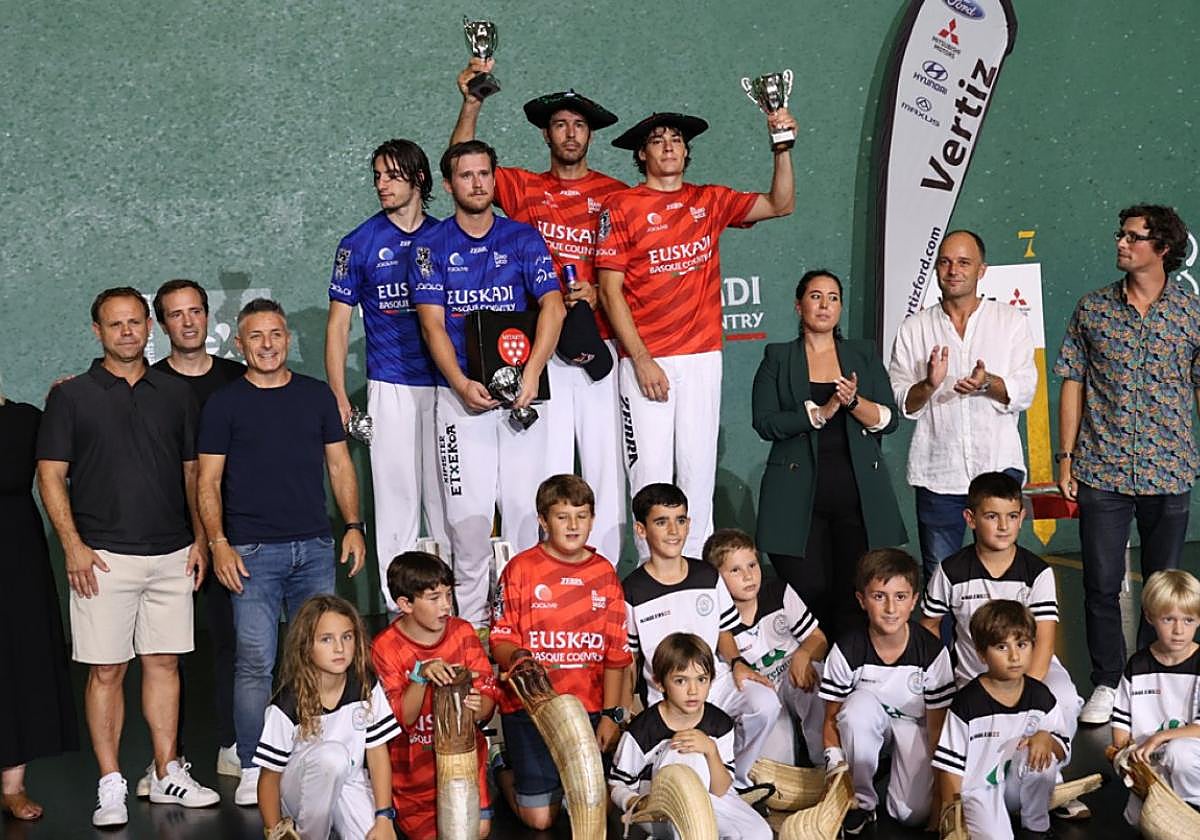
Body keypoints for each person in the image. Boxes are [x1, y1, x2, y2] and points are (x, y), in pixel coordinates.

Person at [36, 287, 218, 827]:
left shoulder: (175, 393)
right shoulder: (71, 397)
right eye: (115, 324)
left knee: (164, 664)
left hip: (172, 554)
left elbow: (192, 473)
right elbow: (50, 476)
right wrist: (72, 545)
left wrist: (201, 540)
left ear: (149, 327)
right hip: (102, 559)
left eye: (135, 322)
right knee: (107, 671)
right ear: (97, 331)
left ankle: (166, 772)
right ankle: (111, 783)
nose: (127, 332)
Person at [597, 108, 797, 558]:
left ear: (686, 152)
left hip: (702, 357)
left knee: (698, 474)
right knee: (649, 477)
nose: (668, 146)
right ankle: (652, 577)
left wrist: (782, 145)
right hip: (646, 360)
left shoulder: (709, 200)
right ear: (641, 154)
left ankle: (699, 578)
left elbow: (780, 204)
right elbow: (609, 291)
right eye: (657, 140)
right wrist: (641, 359)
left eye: (676, 140)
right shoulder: (621, 206)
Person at [452, 61, 629, 564]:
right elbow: (462, 161)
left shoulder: (616, 195)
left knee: (604, 469)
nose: (570, 133)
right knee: (542, 473)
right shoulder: (523, 187)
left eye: (579, 125)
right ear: (546, 134)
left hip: (597, 346)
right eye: (560, 125)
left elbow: (635, 271)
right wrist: (472, 103)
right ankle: (538, 579)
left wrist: (599, 290)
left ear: (590, 134)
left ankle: (604, 577)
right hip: (540, 351)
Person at [197, 297, 368, 806]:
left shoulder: (315, 397)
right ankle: (254, 765)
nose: (267, 344)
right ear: (239, 344)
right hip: (251, 553)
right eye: (256, 336)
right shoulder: (224, 404)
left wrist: (353, 526)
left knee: (320, 658)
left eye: (275, 334)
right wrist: (219, 543)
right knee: (255, 661)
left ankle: (317, 752)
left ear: (288, 339)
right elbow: (208, 481)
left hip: (314, 547)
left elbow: (339, 465)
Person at [412, 140, 566, 627]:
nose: (477, 183)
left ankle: (526, 626)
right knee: (469, 525)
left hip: (521, 397)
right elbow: (432, 325)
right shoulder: (430, 247)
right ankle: (475, 630)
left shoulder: (523, 238)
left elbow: (553, 306)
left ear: (494, 179)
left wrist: (533, 371)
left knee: (525, 516)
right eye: (466, 175)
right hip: (461, 401)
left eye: (484, 174)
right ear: (449, 185)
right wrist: (459, 383)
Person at [1054, 204, 1199, 725]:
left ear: (1162, 248)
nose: (1121, 243)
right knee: (1100, 583)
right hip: (1102, 469)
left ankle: (1148, 677)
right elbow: (1072, 382)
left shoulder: (1191, 313)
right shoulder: (1092, 309)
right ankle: (1108, 682)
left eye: (1133, 237)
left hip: (1170, 469)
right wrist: (1065, 457)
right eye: (1121, 234)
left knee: (1163, 585)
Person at [325, 139, 449, 611]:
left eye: (392, 175)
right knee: (396, 509)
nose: (381, 184)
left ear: (419, 179)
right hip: (390, 387)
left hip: (448, 389)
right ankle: (400, 617)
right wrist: (340, 395)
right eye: (377, 175)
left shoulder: (445, 237)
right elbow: (339, 326)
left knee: (448, 505)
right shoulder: (357, 243)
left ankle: (453, 615)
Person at [752, 269, 906, 638]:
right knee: (809, 595)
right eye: (816, 296)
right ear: (799, 305)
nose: (825, 305)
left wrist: (852, 402)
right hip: (795, 503)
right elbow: (765, 422)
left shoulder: (862, 354)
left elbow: (889, 420)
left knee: (854, 597)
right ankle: (809, 667)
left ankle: (845, 670)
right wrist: (817, 414)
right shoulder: (778, 357)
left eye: (833, 297)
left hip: (857, 502)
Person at [887, 230, 1037, 583]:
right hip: (938, 474)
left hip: (998, 466)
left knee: (1001, 575)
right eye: (945, 262)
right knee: (942, 580)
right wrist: (928, 385)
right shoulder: (914, 328)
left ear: (981, 270)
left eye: (964, 262)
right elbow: (903, 402)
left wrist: (988, 383)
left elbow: (1024, 390)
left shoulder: (1010, 321)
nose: (953, 270)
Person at [489, 474, 632, 830]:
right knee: (541, 820)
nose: (573, 525)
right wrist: (518, 657)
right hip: (530, 710)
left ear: (592, 519)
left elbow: (616, 654)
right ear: (543, 520)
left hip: (588, 709)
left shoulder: (604, 573)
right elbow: (499, 639)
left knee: (594, 805)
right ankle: (501, 765)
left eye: (581, 516)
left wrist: (611, 716)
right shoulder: (520, 569)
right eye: (562, 516)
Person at [148, 278, 245, 785]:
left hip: (232, 532)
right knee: (165, 653)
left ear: (208, 316)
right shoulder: (145, 383)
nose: (187, 322)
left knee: (234, 642)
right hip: (168, 535)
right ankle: (168, 758)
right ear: (161, 324)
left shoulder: (238, 379)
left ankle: (234, 743)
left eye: (195, 311)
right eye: (175, 314)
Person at [622, 483, 780, 789]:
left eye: (680, 520)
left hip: (715, 681)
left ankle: (736, 782)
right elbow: (629, 658)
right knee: (685, 765)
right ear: (641, 530)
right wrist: (626, 705)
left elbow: (724, 630)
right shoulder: (632, 590)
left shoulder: (707, 575)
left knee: (765, 704)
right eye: (661, 522)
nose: (673, 531)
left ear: (689, 524)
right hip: (668, 695)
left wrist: (737, 662)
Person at [819, 549, 954, 835]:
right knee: (856, 709)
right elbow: (831, 719)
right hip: (868, 723)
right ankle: (862, 801)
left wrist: (940, 799)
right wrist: (834, 768)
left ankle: (887, 772)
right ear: (862, 600)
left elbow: (937, 730)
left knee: (911, 815)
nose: (891, 608)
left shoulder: (931, 651)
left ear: (914, 601)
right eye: (879, 596)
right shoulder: (847, 649)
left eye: (900, 597)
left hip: (914, 728)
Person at [370, 551, 497, 840]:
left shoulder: (463, 632)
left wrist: (478, 708)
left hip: (465, 768)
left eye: (448, 595)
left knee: (476, 830)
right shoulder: (385, 647)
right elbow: (403, 719)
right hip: (414, 780)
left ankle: (496, 765)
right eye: (434, 597)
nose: (446, 605)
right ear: (405, 604)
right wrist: (420, 677)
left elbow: (488, 699)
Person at [254, 595, 400, 840]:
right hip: (299, 791)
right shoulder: (288, 702)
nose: (339, 648)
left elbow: (377, 753)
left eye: (347, 637)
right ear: (306, 646)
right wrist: (274, 830)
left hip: (349, 781)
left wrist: (384, 817)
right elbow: (269, 778)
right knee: (332, 757)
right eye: (326, 639)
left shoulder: (365, 685)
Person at [0, 382, 78, 821]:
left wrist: (60, 403)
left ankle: (13, 786)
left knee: (20, 659)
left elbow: (62, 464)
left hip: (16, 550)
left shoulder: (27, 418)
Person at [610, 633, 772, 840]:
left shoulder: (720, 723)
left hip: (712, 800)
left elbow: (720, 789)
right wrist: (637, 802)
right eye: (681, 681)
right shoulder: (642, 730)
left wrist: (711, 751)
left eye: (701, 679)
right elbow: (617, 785)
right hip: (662, 809)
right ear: (659, 683)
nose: (693, 690)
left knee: (760, 833)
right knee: (684, 751)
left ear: (711, 681)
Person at [933, 601, 1070, 840]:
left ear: (1033, 645)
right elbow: (949, 768)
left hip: (1015, 786)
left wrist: (1046, 737)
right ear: (981, 654)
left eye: (1021, 644)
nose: (1014, 656)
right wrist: (953, 817)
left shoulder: (1041, 696)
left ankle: (1036, 826)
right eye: (1001, 647)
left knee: (1042, 757)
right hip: (978, 792)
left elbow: (1062, 748)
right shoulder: (967, 703)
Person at [704, 528, 827, 764]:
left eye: (752, 565)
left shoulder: (778, 592)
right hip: (761, 692)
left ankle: (826, 764)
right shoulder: (714, 618)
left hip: (792, 677)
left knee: (816, 679)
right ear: (716, 579)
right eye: (735, 570)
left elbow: (818, 639)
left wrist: (803, 653)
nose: (748, 576)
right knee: (778, 762)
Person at [1109, 569, 1200, 825]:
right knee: (1139, 820)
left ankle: (1192, 810)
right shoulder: (1137, 665)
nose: (1179, 630)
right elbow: (1121, 723)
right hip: (1152, 760)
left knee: (1180, 752)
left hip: (1190, 758)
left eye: (1188, 620)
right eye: (1168, 619)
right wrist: (1125, 754)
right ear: (1150, 617)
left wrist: (1160, 737)